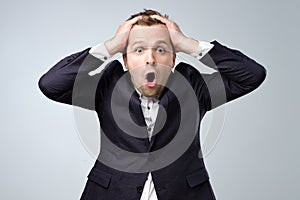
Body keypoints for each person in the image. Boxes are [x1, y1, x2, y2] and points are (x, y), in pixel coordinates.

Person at [39, 9, 266, 200]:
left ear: (173, 59)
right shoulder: (107, 85)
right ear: (126, 61)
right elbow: (51, 84)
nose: (150, 59)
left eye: (161, 50)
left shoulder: (193, 86)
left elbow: (252, 75)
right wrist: (110, 47)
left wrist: (188, 44)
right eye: (139, 50)